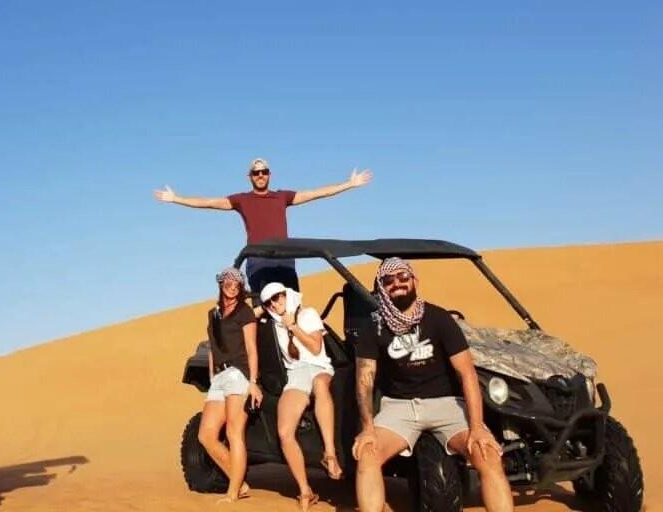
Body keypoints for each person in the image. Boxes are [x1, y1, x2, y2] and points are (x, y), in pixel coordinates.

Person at [352, 258, 514, 512]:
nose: (397, 284)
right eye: (389, 280)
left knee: (488, 456)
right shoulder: (374, 326)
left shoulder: (438, 318)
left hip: (446, 405)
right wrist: (368, 429)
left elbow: (467, 374)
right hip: (400, 407)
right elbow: (365, 379)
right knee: (367, 454)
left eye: (403, 277)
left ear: (414, 281)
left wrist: (476, 428)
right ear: (382, 287)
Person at [154, 158, 372, 292]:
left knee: (292, 306)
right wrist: (176, 198)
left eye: (264, 171)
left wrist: (349, 184)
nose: (260, 175)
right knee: (263, 309)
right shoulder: (242, 200)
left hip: (285, 260)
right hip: (258, 261)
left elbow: (315, 193)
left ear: (269, 175)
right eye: (256, 172)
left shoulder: (282, 197)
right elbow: (209, 202)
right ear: (249, 177)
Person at [260, 282, 342, 511]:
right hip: (296, 375)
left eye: (277, 297)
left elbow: (315, 348)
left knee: (320, 386)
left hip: (319, 368)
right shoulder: (273, 325)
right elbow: (248, 316)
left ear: (287, 294)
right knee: (284, 432)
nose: (274, 304)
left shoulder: (308, 314)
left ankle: (330, 454)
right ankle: (305, 490)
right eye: (268, 302)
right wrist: (261, 308)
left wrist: (293, 326)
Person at [197, 267, 263, 503]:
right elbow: (213, 346)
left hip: (238, 374)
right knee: (206, 435)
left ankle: (233, 493)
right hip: (220, 376)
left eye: (237, 284)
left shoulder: (244, 312)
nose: (232, 287)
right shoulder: (213, 314)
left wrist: (253, 382)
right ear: (221, 284)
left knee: (234, 433)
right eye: (228, 283)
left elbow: (252, 348)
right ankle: (240, 483)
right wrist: (212, 375)